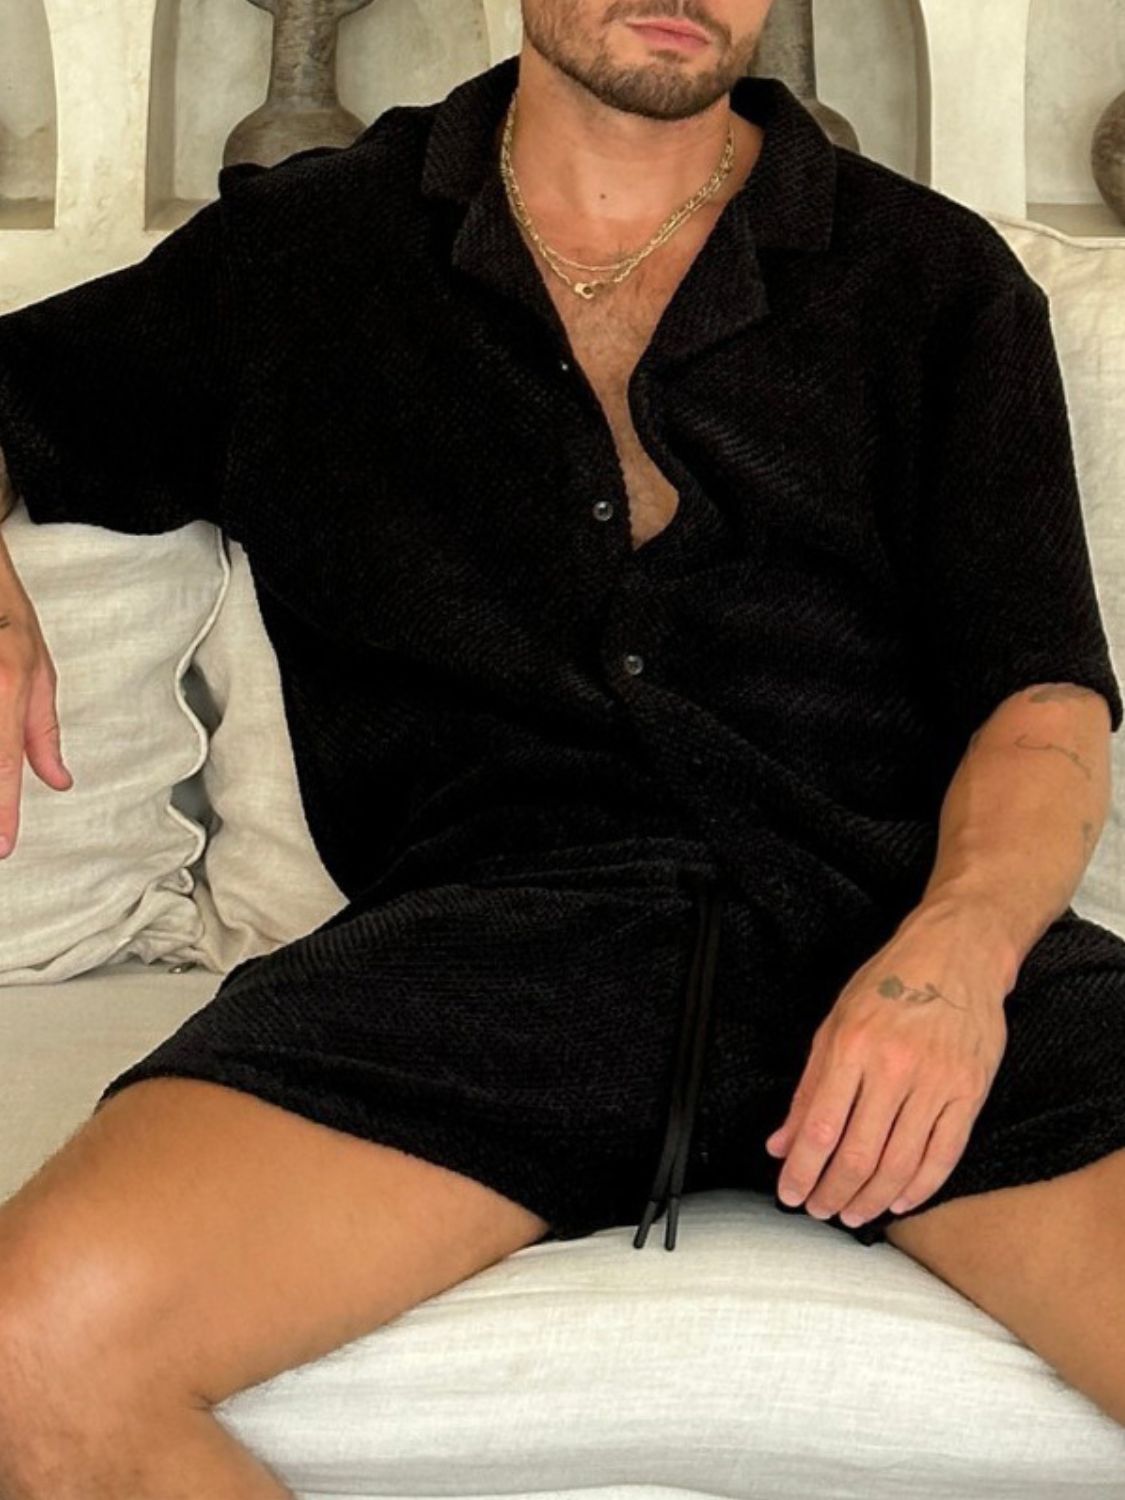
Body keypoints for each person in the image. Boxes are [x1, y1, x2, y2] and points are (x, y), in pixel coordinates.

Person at [2, 2, 1125, 1492]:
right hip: (478, 952)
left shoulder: (928, 275)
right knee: (26, 1353)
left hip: (893, 932)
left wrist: (956, 961)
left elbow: (1039, 698)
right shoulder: (307, 254)